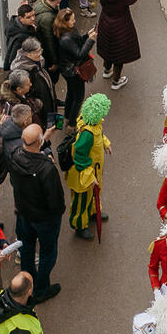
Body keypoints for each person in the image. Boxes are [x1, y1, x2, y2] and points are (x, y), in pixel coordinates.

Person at [8, 122, 65, 303]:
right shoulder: (47, 169)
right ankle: (41, 288)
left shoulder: (15, 155)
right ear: (39, 141)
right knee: (48, 251)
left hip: (24, 213)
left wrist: (44, 142)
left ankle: (27, 279)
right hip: (44, 219)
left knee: (27, 247)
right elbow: (56, 201)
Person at [66, 93, 112, 239]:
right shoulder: (87, 134)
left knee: (92, 195)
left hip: (94, 170)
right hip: (85, 175)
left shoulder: (91, 122)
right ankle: (79, 225)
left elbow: (100, 134)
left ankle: (93, 212)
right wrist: (90, 177)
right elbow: (80, 157)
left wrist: (105, 143)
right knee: (81, 200)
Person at [96, 0, 140, 90]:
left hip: (105, 23)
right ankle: (116, 80)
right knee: (118, 55)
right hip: (120, 26)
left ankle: (106, 70)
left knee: (107, 49)